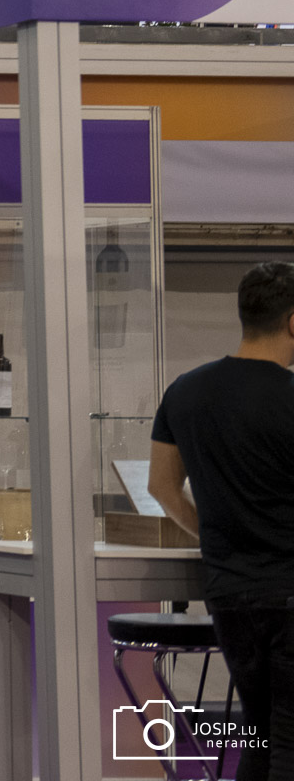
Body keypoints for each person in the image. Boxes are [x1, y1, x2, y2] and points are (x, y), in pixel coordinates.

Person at [150, 260, 294, 780]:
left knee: (259, 730)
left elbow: (161, 486)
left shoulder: (185, 391)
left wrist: (215, 533)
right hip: (289, 590)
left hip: (229, 593)